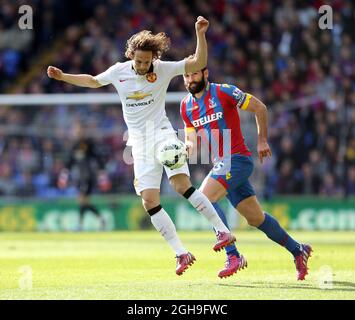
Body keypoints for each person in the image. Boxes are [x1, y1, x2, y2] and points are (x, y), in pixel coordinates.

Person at [47, 16, 236, 276]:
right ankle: (181, 253)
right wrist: (63, 76)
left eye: (147, 62)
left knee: (180, 185)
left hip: (161, 134)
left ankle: (222, 231)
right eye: (139, 61)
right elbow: (92, 81)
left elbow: (198, 62)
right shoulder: (118, 71)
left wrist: (200, 34)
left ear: (153, 58)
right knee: (149, 201)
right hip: (139, 143)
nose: (143, 66)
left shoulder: (162, 68)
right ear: (131, 56)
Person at [180, 65, 313, 280]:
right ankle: (298, 250)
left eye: (194, 73)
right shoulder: (185, 106)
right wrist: (184, 149)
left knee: (203, 198)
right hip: (221, 165)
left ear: (205, 73)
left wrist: (262, 141)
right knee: (255, 219)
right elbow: (190, 140)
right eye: (186, 75)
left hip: (237, 160)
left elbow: (260, 108)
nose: (190, 78)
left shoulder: (224, 91)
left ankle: (233, 255)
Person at [58, 122, 111, 231]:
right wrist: (63, 177)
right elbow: (69, 163)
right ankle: (101, 219)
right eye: (75, 130)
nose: (77, 132)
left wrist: (102, 176)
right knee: (84, 201)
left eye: (79, 130)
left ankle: (80, 225)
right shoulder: (74, 145)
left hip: (88, 176)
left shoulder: (88, 144)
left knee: (82, 200)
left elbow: (98, 158)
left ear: (83, 131)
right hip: (79, 177)